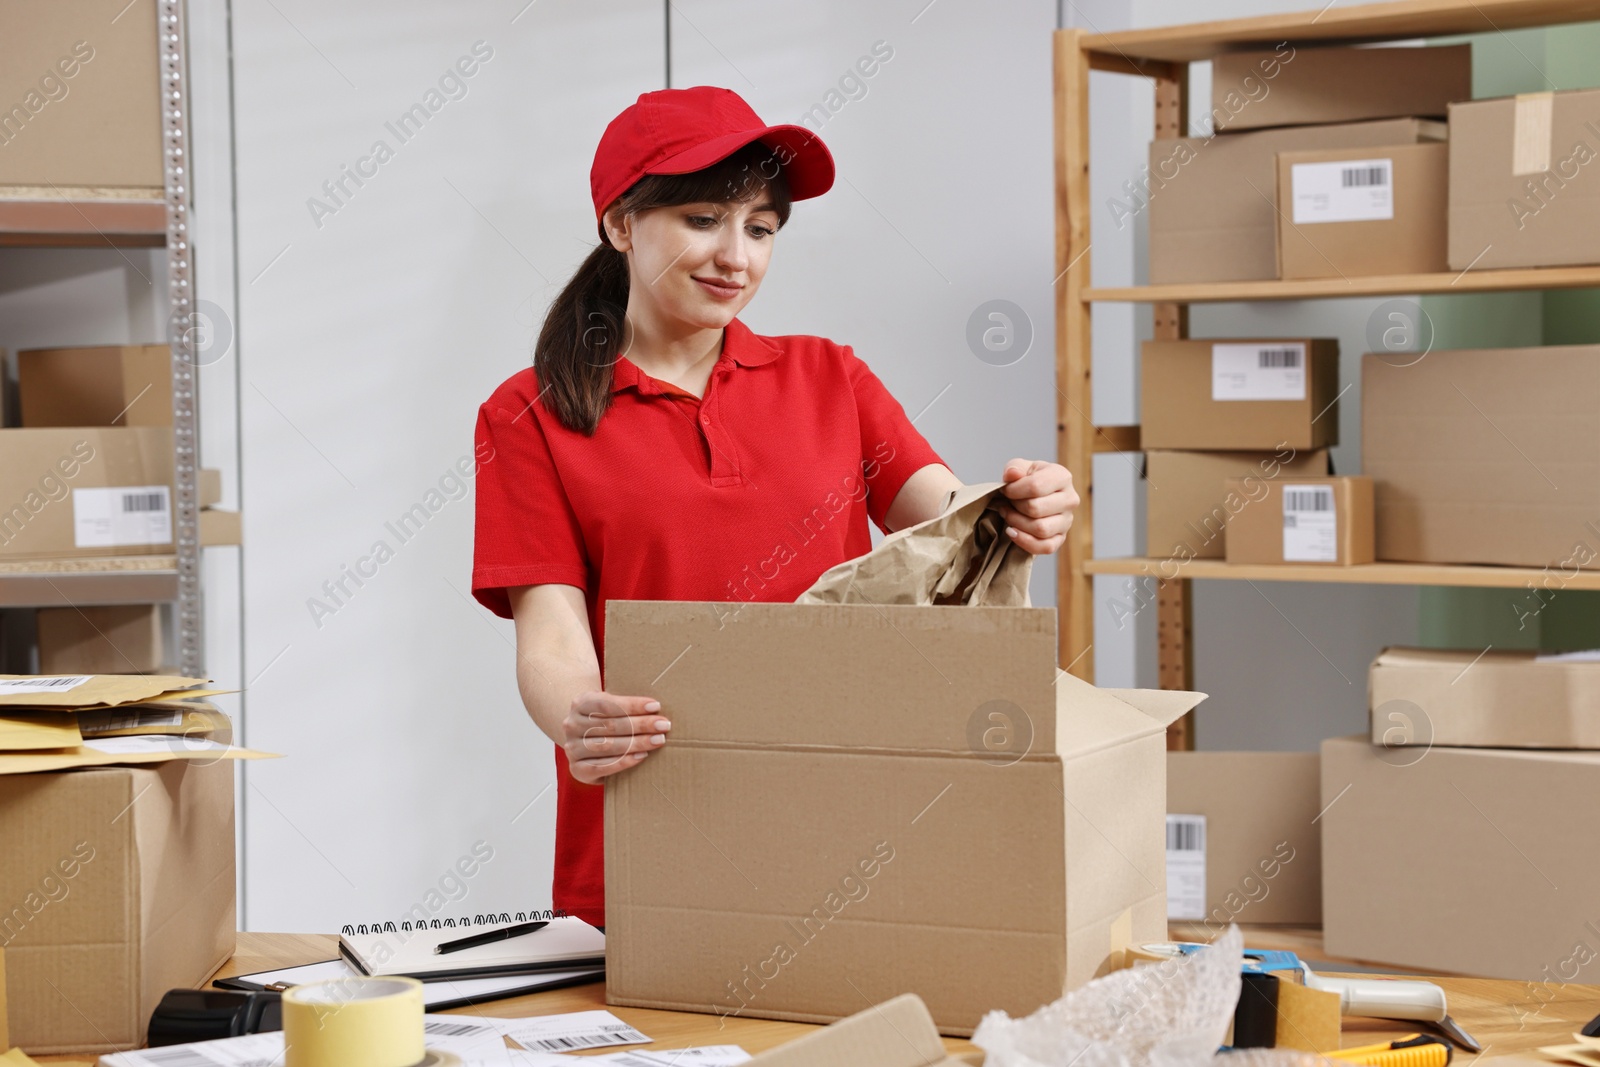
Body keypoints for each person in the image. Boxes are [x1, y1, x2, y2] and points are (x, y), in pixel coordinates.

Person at [471, 85, 1079, 929]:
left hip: (844, 812)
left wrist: (1025, 505)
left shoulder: (831, 377)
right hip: (652, 812)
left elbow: (945, 517)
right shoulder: (529, 412)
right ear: (619, 223)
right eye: (701, 220)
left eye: (760, 228)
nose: (736, 256)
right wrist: (579, 718)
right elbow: (550, 626)